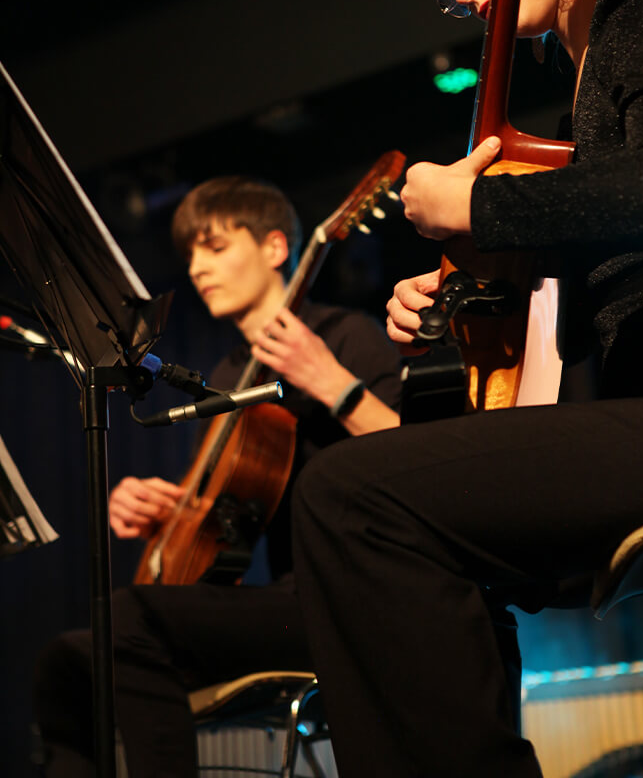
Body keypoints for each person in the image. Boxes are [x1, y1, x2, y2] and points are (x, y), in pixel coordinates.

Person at [290, 0, 643, 778]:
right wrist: (469, 287)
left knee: (355, 496)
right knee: (420, 515)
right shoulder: (584, 82)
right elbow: (608, 261)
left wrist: (475, 203)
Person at [33, 175, 402, 778]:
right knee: (67, 662)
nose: (198, 268)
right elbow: (234, 505)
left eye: (217, 246)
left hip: (348, 600)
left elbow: (418, 456)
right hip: (282, 601)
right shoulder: (229, 371)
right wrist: (171, 509)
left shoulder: (346, 336)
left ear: (277, 249)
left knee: (130, 616)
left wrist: (333, 383)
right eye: (191, 255)